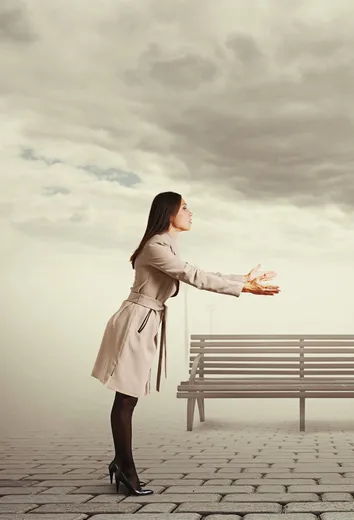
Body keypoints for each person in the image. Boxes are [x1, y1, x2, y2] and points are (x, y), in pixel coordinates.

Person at [91, 191, 280, 496]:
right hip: (135, 323)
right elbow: (191, 275)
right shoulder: (156, 246)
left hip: (142, 321)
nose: (191, 213)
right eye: (185, 207)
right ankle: (126, 468)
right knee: (126, 398)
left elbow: (197, 271)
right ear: (169, 214)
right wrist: (243, 287)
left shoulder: (164, 245)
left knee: (127, 398)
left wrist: (242, 278)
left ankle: (120, 462)